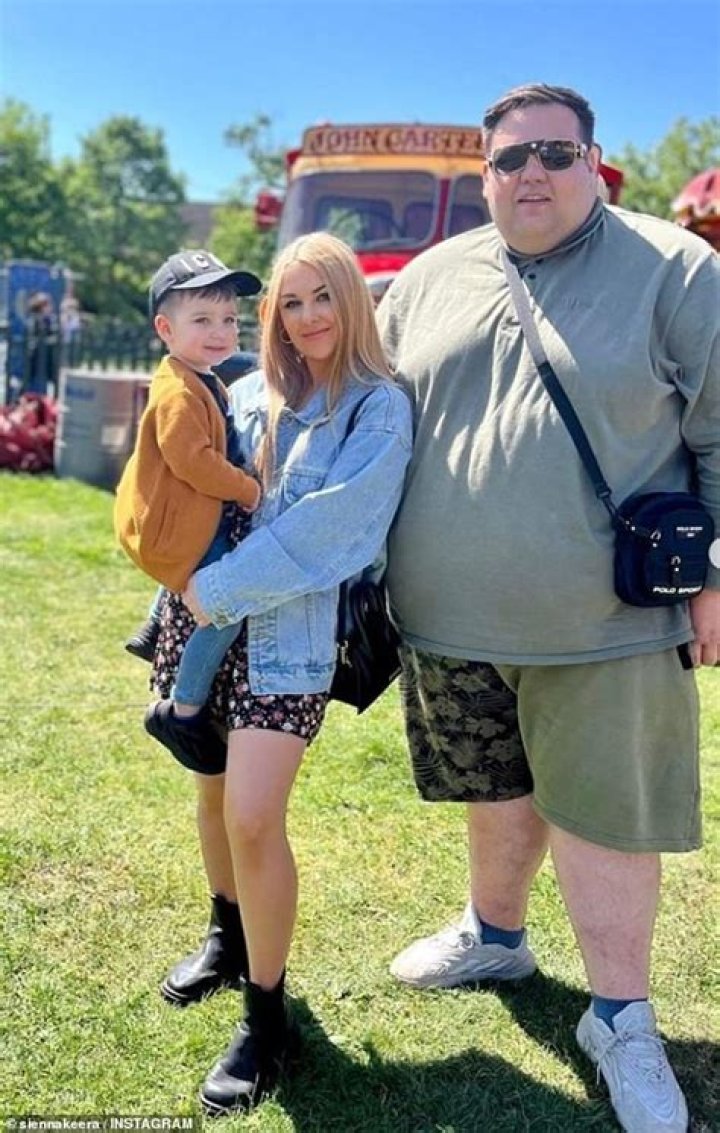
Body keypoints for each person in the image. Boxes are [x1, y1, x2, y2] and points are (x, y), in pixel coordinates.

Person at [376, 82, 719, 1133]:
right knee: (494, 785)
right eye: (511, 158)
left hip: (605, 622)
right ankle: (496, 934)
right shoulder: (426, 279)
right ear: (484, 173)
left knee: (606, 816)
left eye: (556, 155)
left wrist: (717, 578)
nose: (532, 173)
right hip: (446, 619)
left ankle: (622, 1018)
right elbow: (369, 420)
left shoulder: (677, 268)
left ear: (594, 164)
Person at [149, 231, 412, 1115]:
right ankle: (226, 935)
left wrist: (214, 589)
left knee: (255, 816)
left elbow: (334, 533)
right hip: (204, 624)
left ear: (352, 299)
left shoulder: (378, 408)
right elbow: (190, 491)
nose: (307, 318)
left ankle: (268, 1019)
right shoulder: (246, 389)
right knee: (212, 794)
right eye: (290, 302)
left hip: (286, 641)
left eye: (322, 296)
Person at [114, 249, 264, 766]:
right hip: (180, 525)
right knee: (224, 610)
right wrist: (246, 488)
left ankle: (156, 621)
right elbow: (193, 461)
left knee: (207, 565)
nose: (220, 331)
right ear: (165, 328)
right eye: (202, 320)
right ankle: (183, 710)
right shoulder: (180, 391)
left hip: (183, 518)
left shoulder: (199, 375)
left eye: (229, 319)